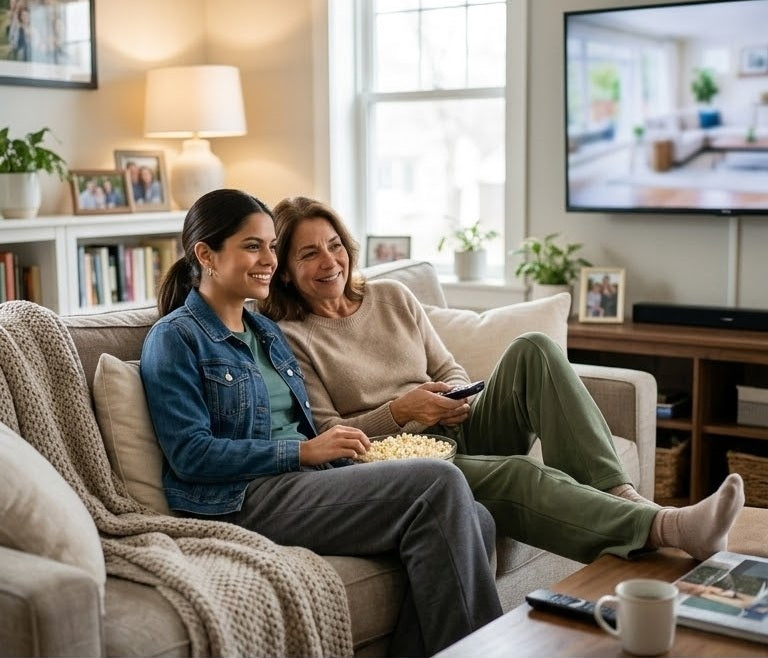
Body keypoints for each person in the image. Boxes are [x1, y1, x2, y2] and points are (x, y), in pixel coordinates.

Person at [262, 195, 746, 567]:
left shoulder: (393, 296)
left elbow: (449, 368)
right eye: (309, 254)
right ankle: (670, 527)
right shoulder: (290, 338)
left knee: (533, 347)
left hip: (456, 422)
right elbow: (329, 436)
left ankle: (620, 495)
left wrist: (453, 397)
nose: (330, 262)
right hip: (399, 466)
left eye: (335, 245)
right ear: (284, 271)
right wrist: (405, 411)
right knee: (521, 474)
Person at [139, 188, 503, 657]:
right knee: (439, 485)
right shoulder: (174, 339)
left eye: (271, 246)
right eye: (253, 246)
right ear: (205, 254)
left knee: (479, 519)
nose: (269, 259)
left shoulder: (265, 330)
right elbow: (190, 454)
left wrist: (326, 450)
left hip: (309, 479)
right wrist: (302, 451)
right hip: (245, 497)